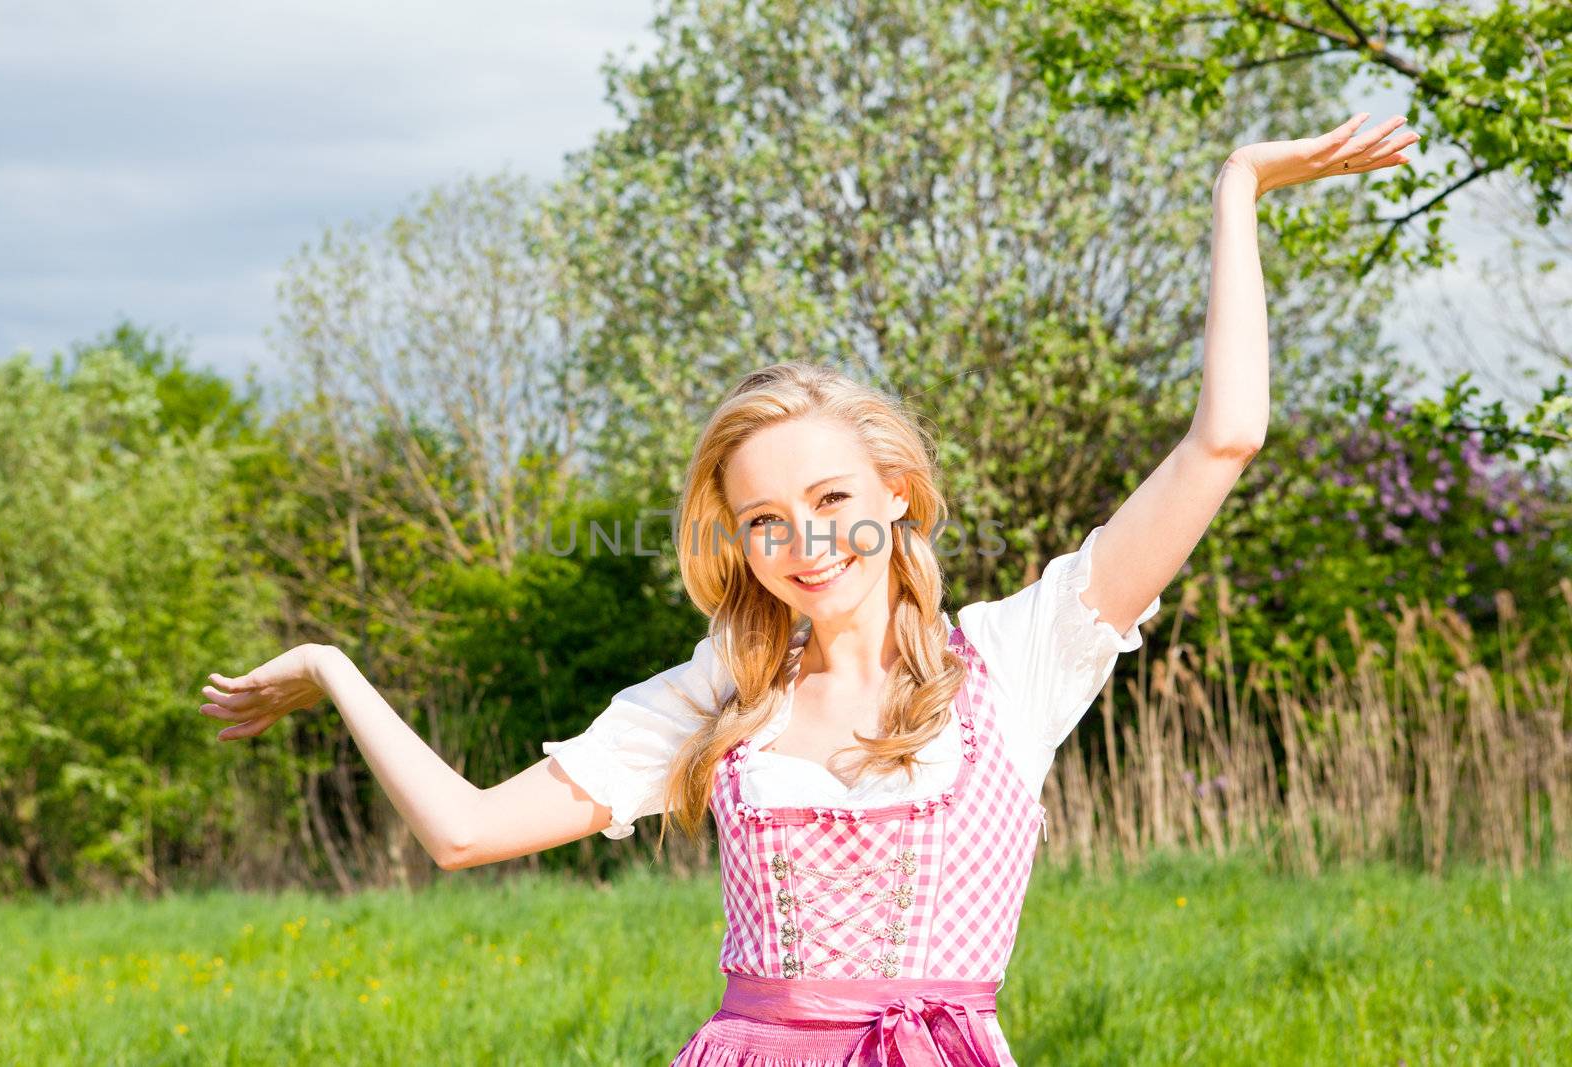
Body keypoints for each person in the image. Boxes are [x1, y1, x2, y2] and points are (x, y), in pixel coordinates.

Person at [198, 113, 1419, 1065]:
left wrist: (1235, 191)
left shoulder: (1018, 655)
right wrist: (331, 666)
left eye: (833, 500)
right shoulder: (720, 694)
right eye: (766, 518)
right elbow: (462, 832)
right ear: (737, 538)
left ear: (895, 490)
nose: (807, 540)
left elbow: (1224, 441)